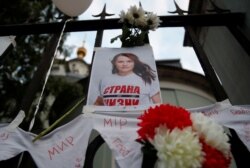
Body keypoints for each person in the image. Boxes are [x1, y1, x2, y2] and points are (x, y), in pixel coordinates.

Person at [94, 52, 161, 106]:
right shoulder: (105, 80)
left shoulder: (146, 79)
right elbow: (99, 103)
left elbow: (158, 104)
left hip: (139, 120)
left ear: (134, 63)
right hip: (110, 121)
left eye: (129, 61)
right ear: (115, 63)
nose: (125, 64)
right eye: (120, 62)